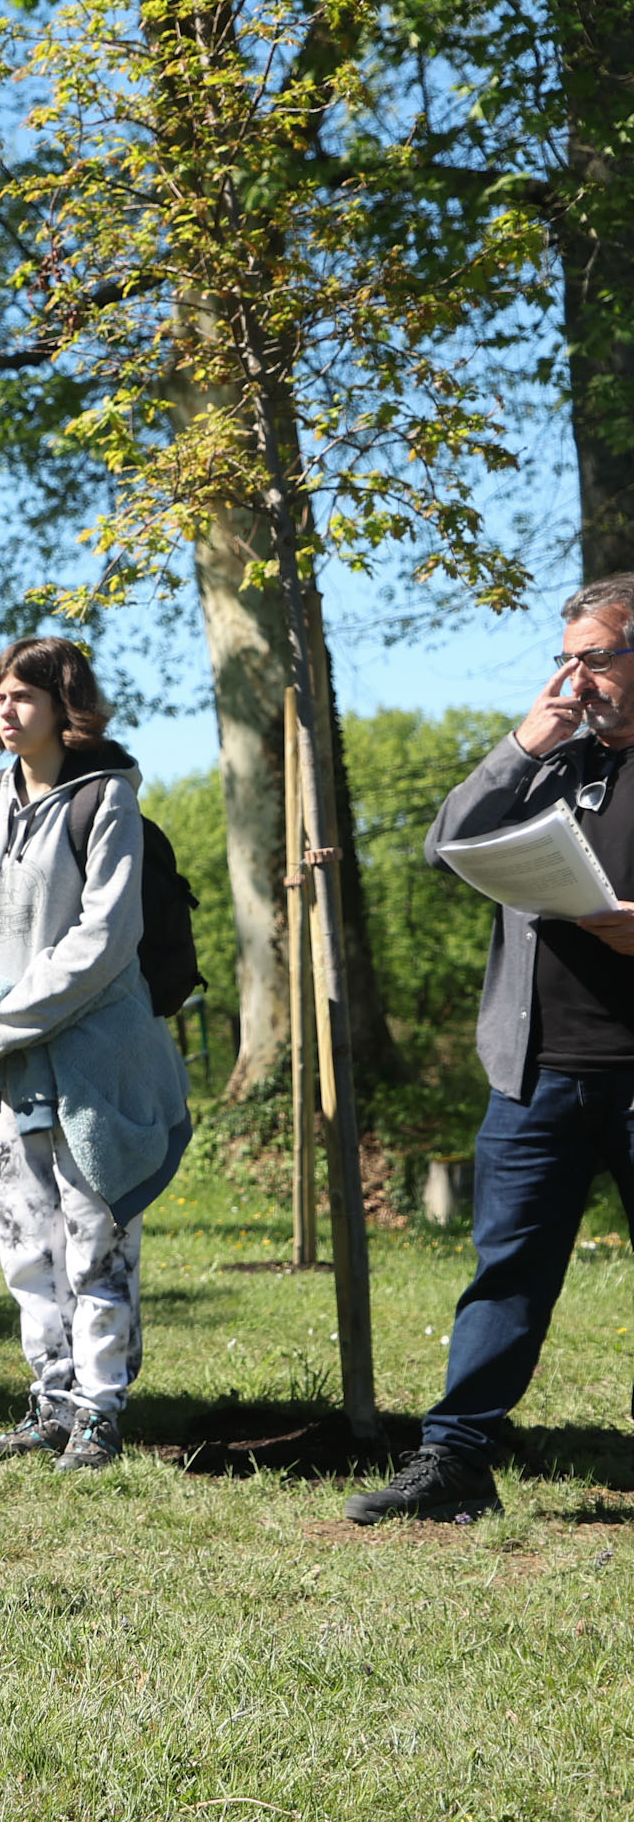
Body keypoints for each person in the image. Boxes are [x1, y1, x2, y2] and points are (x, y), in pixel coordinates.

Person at [348, 576, 634, 1523]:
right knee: (505, 1270)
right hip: (535, 1073)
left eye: (594, 657)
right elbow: (447, 844)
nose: (577, 679)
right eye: (567, 660)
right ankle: (458, 1458)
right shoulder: (556, 765)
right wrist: (524, 743)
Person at [0, 636, 192, 1471]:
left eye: (23, 697)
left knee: (95, 1235)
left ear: (63, 705)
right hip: (5, 1066)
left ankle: (100, 1411)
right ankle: (49, 1402)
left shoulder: (104, 799)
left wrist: (4, 1022)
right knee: (25, 1242)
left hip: (92, 1061)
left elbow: (106, 938)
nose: (6, 712)